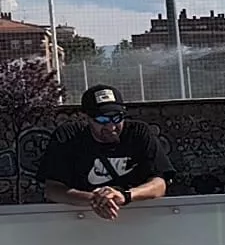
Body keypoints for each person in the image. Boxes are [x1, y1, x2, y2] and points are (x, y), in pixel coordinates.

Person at [37, 84, 172, 219]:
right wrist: (94, 199)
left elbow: (159, 184)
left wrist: (126, 195)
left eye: (117, 118)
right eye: (102, 120)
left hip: (138, 217)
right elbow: (52, 189)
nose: (111, 126)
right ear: (87, 118)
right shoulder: (69, 136)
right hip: (81, 219)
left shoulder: (138, 133)